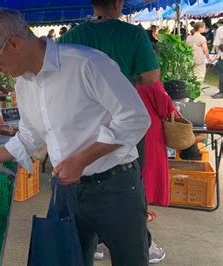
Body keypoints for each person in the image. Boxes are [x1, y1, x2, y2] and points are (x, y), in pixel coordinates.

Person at [0, 7, 151, 265]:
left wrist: (81, 160)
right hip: (67, 190)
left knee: (130, 260)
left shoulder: (87, 64)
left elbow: (135, 117)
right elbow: (29, 136)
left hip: (115, 186)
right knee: (65, 259)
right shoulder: (24, 84)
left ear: (13, 43)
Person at [58, 0, 168, 263]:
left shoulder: (71, 37)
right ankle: (136, 240)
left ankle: (92, 241)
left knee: (83, 183)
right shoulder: (132, 34)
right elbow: (151, 77)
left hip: (82, 129)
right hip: (122, 124)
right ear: (119, 3)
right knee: (126, 185)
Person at [212, 19, 223, 98]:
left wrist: (218, 54)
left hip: (222, 55)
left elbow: (216, 44)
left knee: (221, 74)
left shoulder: (220, 29)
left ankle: (222, 91)